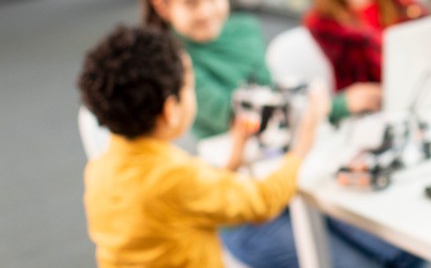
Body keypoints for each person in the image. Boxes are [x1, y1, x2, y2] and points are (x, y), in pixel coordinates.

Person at [142, 0, 424, 268]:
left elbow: (270, 106)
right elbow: (238, 117)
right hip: (242, 198)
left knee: (406, 252)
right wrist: (321, 112)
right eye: (191, 2)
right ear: (163, 6)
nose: (206, 10)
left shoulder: (244, 31)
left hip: (290, 179)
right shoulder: (172, 61)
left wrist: (304, 115)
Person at [78, 25, 326, 268]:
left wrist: (234, 157)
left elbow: (191, 198)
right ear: (170, 111)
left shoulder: (99, 170)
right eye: (189, 85)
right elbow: (262, 204)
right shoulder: (176, 175)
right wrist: (301, 149)